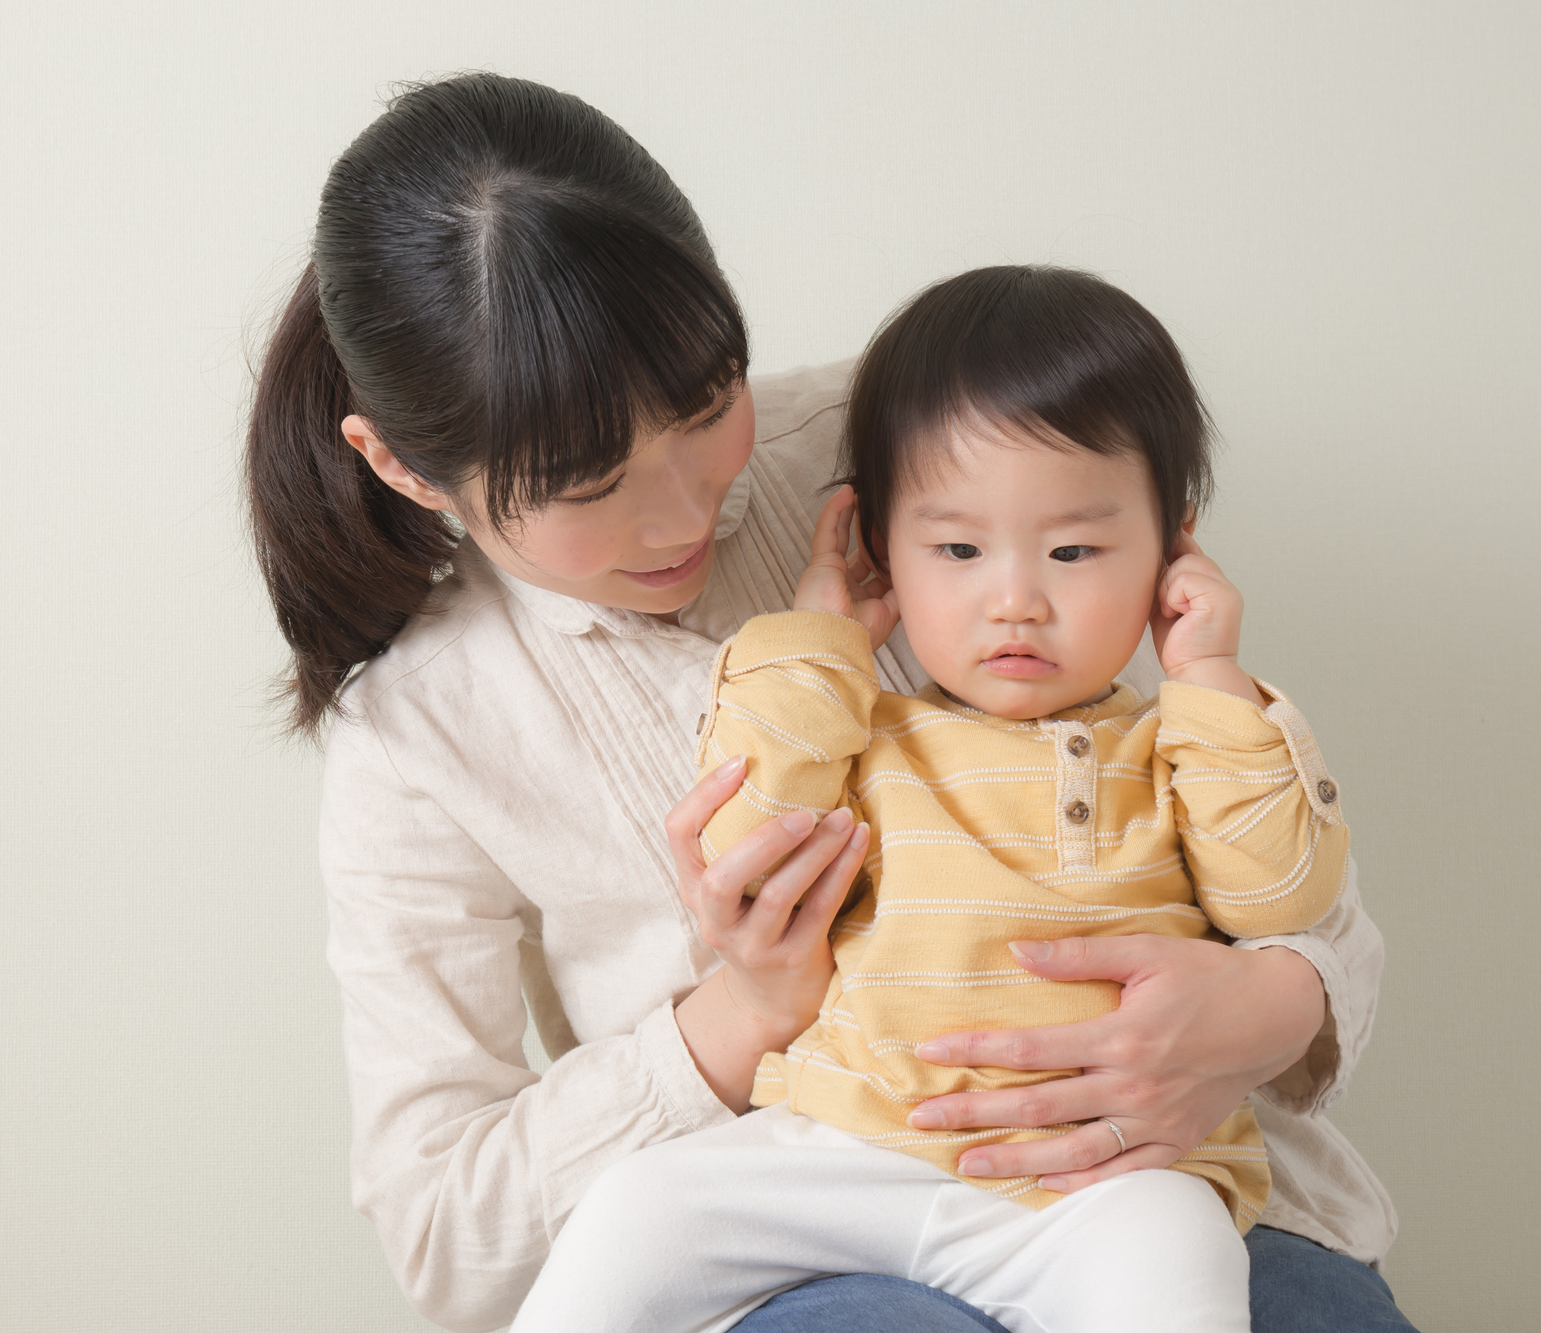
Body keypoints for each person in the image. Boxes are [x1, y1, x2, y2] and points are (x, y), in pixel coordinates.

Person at [245, 72, 1410, 1333]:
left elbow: (1255, 843)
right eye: (586, 485)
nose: (687, 511)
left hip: (1128, 1172)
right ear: (404, 465)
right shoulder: (420, 731)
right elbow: (443, 1235)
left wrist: (1270, 1000)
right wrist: (741, 1016)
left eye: (706, 409)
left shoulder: (914, 436)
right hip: (799, 1219)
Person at [511, 266, 1355, 1333]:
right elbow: (745, 837)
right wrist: (822, 640)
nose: (1014, 598)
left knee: (1178, 1257)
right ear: (881, 551)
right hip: (845, 1144)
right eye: (956, 550)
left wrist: (1210, 678)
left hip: (1090, 1181)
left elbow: (1278, 891)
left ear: (1170, 547)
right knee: (634, 1208)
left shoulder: (1175, 741)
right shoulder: (865, 729)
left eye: (1074, 551)